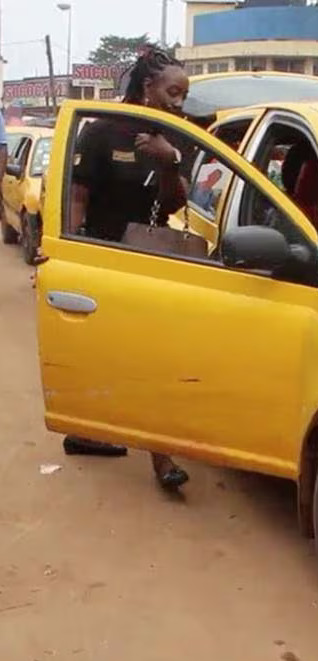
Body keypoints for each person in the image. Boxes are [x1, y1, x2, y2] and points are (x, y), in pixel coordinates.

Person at [63, 47, 192, 492]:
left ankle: (151, 450)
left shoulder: (172, 135)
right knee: (114, 354)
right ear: (146, 88)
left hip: (148, 260)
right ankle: (142, 451)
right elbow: (77, 197)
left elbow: (177, 202)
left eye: (184, 94)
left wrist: (169, 160)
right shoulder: (101, 132)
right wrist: (71, 252)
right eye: (173, 92)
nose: (179, 102)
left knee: (148, 357)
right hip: (103, 256)